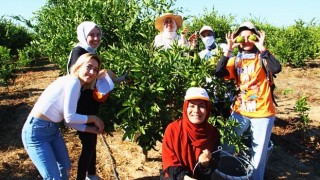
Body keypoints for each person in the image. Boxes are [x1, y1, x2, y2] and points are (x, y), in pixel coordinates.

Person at [214, 21, 282, 180]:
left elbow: (276, 68)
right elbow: (219, 72)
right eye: (241, 37)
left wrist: (262, 47)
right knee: (226, 146)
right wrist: (228, 50)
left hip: (263, 112)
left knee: (258, 155)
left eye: (249, 36)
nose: (245, 40)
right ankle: (225, 175)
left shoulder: (263, 57)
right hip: (239, 111)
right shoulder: (236, 59)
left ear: (255, 37)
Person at [21, 53, 105, 180]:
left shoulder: (76, 84)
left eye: (95, 69)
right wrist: (94, 118)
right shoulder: (73, 82)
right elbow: (70, 117)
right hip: (37, 132)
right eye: (89, 67)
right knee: (53, 177)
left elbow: (67, 121)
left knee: (65, 168)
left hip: (52, 129)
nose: (92, 72)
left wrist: (91, 129)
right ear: (78, 66)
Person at [67, 21, 127, 180]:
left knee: (92, 141)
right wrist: (103, 74)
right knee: (88, 144)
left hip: (90, 104)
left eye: (98, 34)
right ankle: (83, 177)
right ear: (83, 35)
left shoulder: (89, 51)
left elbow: (95, 80)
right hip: (81, 105)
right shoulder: (78, 51)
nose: (95, 38)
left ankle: (91, 174)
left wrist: (121, 78)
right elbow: (79, 78)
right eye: (91, 34)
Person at [161, 87, 220, 180]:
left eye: (201, 106)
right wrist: (185, 178)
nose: (196, 110)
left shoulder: (213, 133)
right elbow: (169, 163)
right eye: (192, 106)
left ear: (207, 109)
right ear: (185, 107)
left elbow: (213, 166)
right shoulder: (173, 130)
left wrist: (205, 164)